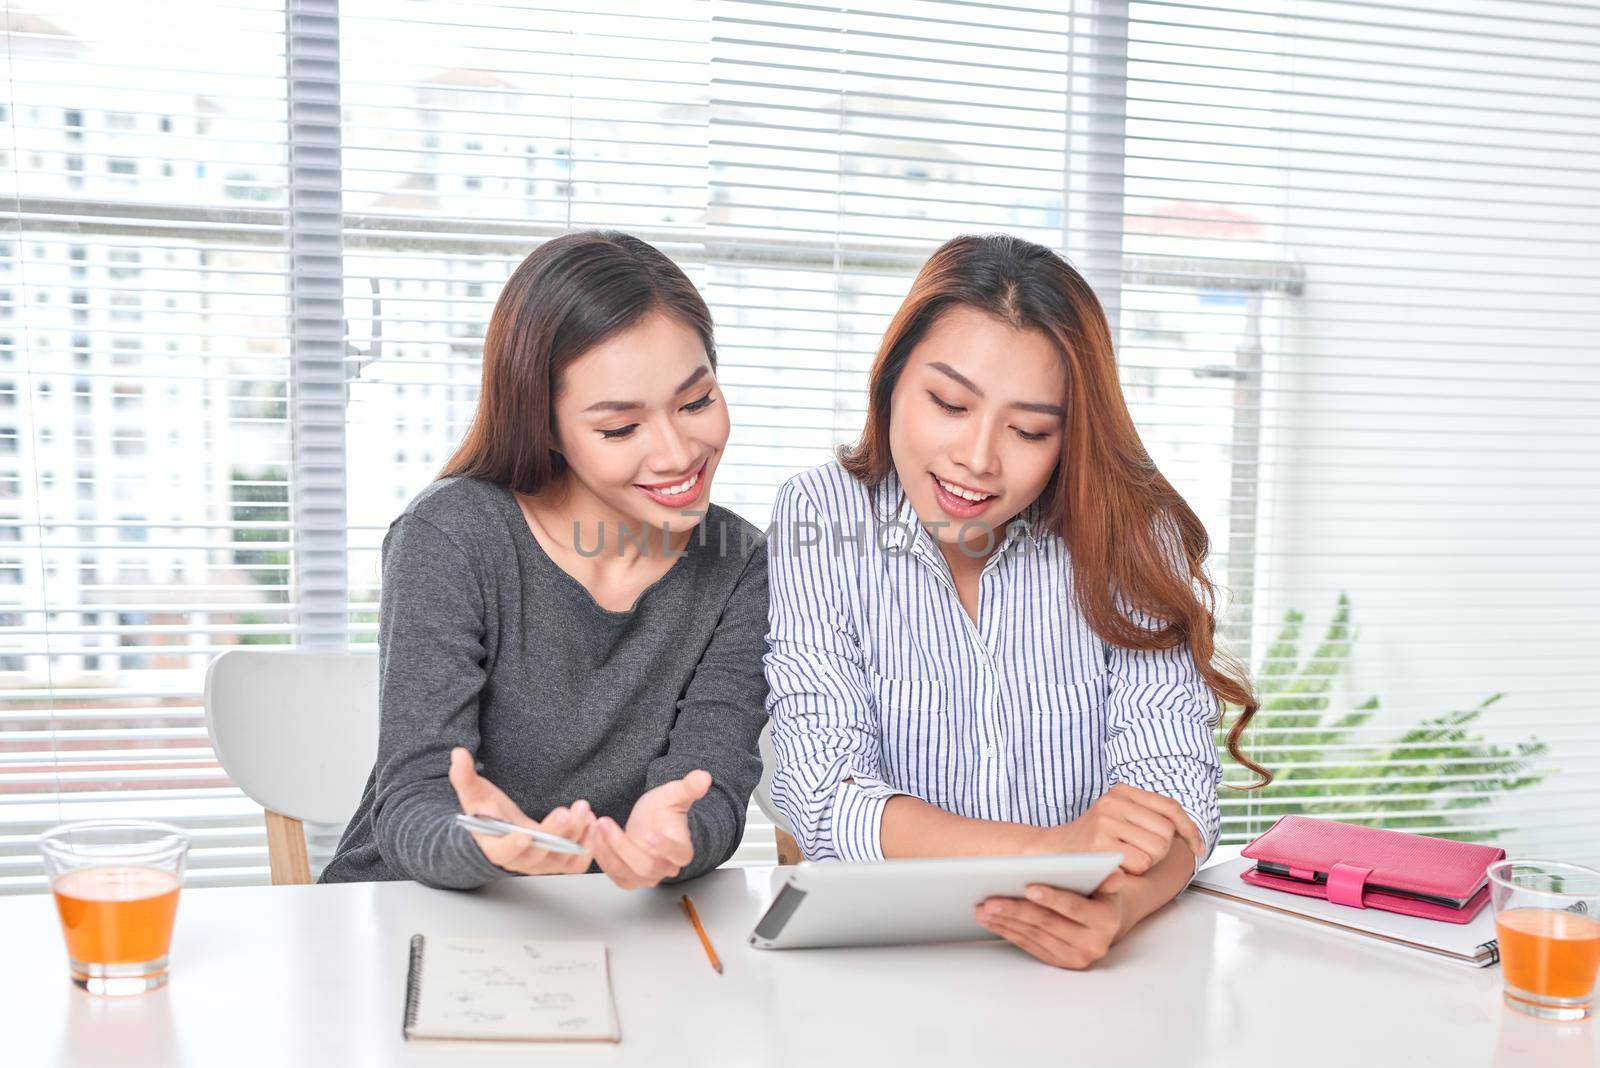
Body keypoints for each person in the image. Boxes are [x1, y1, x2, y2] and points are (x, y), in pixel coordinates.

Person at [765, 233, 1271, 968]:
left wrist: (1119, 907)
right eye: (948, 403)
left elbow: (1173, 786)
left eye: (1030, 429)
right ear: (891, 381)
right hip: (892, 964)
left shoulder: (1131, 533)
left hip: (1089, 970)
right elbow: (823, 792)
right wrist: (1051, 850)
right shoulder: (821, 515)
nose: (978, 458)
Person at [321, 231, 768, 891]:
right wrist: (487, 846)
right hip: (411, 909)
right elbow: (413, 801)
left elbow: (712, 785)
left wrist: (677, 837)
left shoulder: (740, 563)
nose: (677, 453)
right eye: (620, 428)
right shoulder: (453, 535)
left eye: (696, 401)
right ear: (544, 425)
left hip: (603, 923)